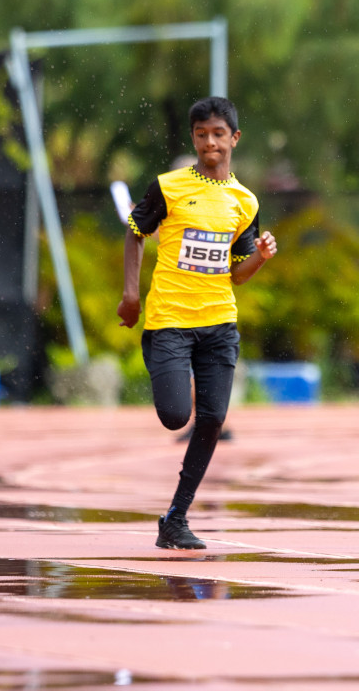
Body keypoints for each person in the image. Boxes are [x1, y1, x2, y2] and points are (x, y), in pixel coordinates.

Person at [118, 96, 277, 550]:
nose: (210, 142)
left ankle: (176, 518)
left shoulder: (245, 202)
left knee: (212, 419)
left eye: (219, 134)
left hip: (219, 324)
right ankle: (164, 365)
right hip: (169, 319)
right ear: (194, 137)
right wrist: (131, 295)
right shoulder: (167, 187)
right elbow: (134, 231)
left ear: (234, 138)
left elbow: (236, 273)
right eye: (202, 134)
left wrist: (261, 259)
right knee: (175, 416)